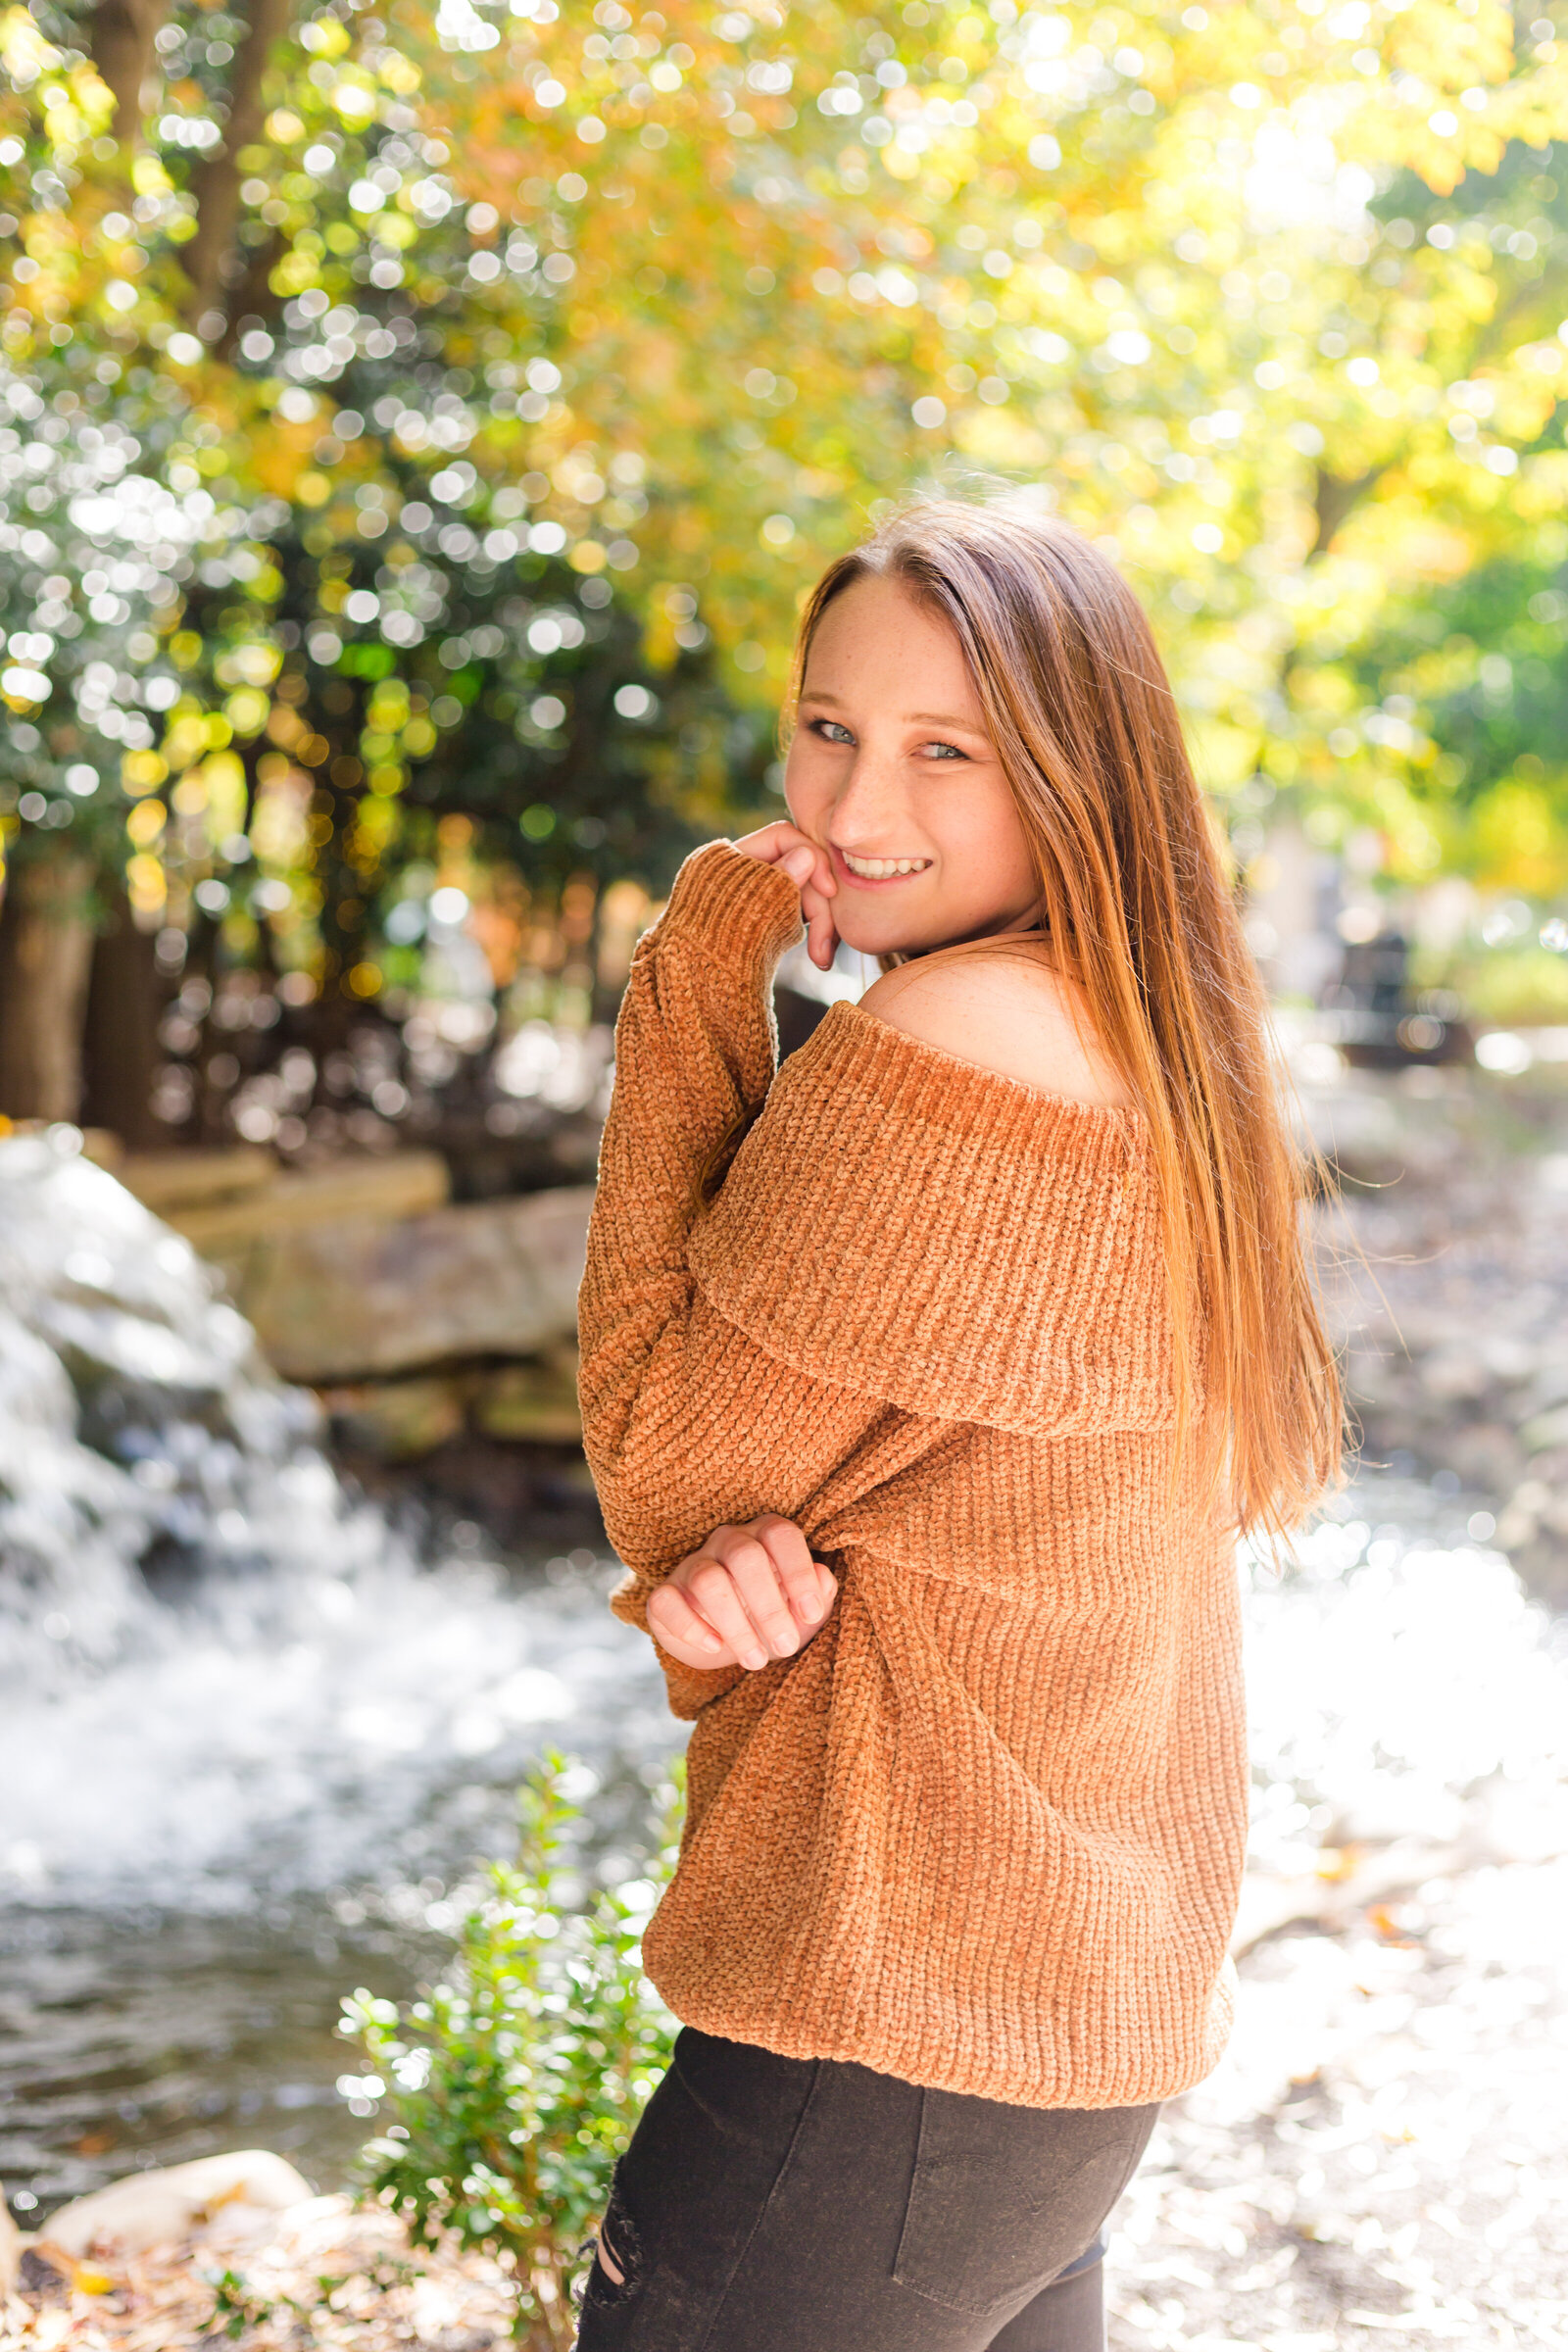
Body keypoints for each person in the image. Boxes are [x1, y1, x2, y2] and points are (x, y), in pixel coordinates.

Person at [574, 494, 1341, 2352]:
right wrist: (716, 1587)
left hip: (884, 2030)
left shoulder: (952, 1045)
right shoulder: (1148, 1038)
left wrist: (696, 961)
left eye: (947, 753)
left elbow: (657, 1442)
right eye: (827, 728)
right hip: (1056, 2035)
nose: (849, 815)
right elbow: (883, 1503)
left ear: (1075, 774)